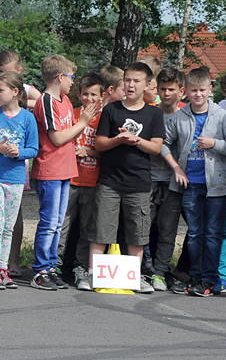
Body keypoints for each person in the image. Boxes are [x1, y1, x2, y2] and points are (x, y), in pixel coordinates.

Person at [90, 62, 164, 294]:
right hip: (110, 181)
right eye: (128, 80)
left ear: (147, 84)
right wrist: (118, 140)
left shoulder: (154, 113)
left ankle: (135, 276)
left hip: (139, 183)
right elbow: (99, 143)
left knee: (137, 232)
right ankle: (94, 274)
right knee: (102, 230)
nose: (131, 85)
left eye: (136, 81)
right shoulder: (112, 110)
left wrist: (136, 140)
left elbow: (156, 147)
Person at [30, 55, 96, 291]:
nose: (72, 82)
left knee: (58, 223)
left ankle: (50, 267)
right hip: (50, 168)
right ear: (60, 77)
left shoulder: (65, 100)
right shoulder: (47, 101)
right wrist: (84, 122)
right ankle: (40, 270)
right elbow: (57, 137)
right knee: (49, 222)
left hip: (66, 168)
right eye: (71, 77)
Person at [160, 67, 224, 297]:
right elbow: (163, 143)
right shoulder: (179, 116)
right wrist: (176, 167)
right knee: (194, 233)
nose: (198, 95)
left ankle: (211, 279)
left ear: (210, 90)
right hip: (190, 183)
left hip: (216, 185)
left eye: (202, 90)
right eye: (194, 90)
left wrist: (214, 143)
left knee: (213, 233)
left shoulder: (221, 115)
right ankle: (195, 277)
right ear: (186, 92)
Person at [0, 71, 38, 289]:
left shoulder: (27, 117)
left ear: (15, 92)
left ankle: (4, 269)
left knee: (8, 226)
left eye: (0, 90)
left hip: (15, 178)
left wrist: (18, 152)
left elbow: (33, 148)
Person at [57, 73, 104, 291]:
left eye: (94, 94)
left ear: (101, 96)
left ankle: (80, 267)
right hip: (71, 178)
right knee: (62, 225)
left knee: (87, 227)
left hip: (93, 181)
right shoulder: (73, 114)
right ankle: (55, 264)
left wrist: (89, 151)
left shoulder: (105, 118)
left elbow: (109, 149)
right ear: (79, 95)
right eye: (85, 94)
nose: (89, 98)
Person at [145, 68, 185, 291]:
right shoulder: (150, 113)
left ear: (181, 91)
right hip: (149, 177)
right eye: (163, 89)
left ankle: (160, 271)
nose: (167, 93)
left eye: (171, 89)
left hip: (173, 182)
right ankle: (146, 269)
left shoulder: (186, 116)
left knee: (168, 229)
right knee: (144, 227)